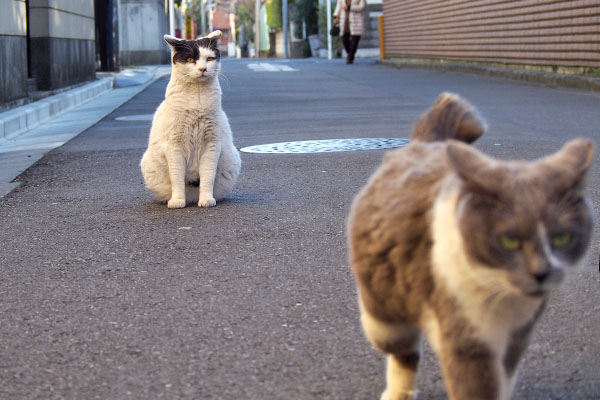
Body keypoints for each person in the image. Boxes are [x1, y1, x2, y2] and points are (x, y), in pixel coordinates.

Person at [333, 0, 366, 64]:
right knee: (344, 39)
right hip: (345, 21)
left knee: (354, 41)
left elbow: (362, 6)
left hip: (357, 21)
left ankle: (350, 58)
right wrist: (335, 16)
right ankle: (351, 54)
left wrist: (350, 7)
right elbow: (338, 6)